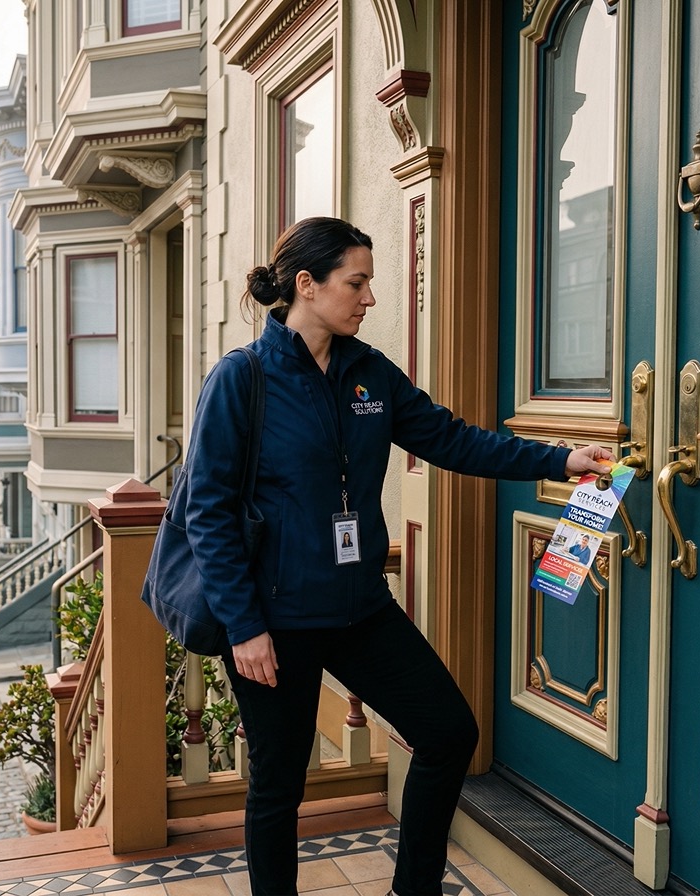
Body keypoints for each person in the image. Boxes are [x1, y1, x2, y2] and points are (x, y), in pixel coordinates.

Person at [182, 217, 612, 895]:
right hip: (275, 621)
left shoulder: (369, 372)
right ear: (307, 285)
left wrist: (561, 459)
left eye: (368, 284)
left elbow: (452, 440)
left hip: (359, 610)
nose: (368, 298)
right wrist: (244, 627)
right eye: (356, 283)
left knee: (447, 733)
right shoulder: (244, 379)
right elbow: (207, 512)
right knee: (278, 788)